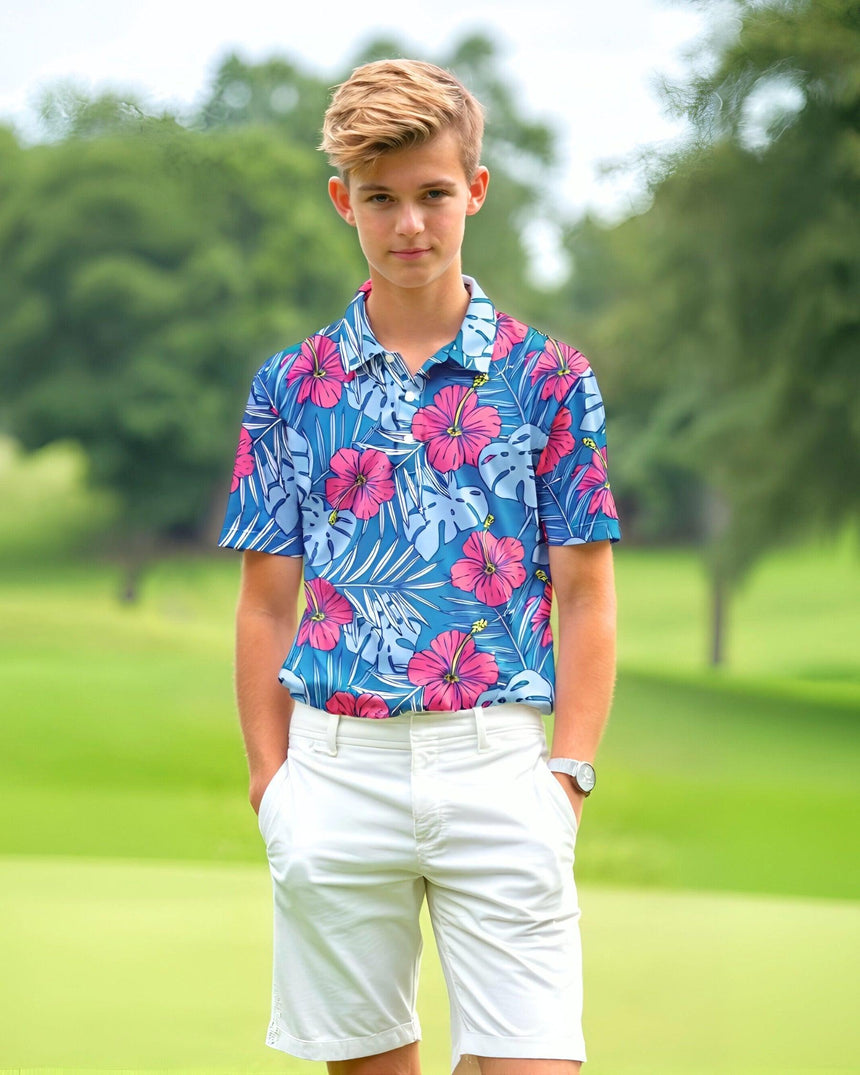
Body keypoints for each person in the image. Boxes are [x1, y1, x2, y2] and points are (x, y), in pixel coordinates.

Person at [218, 57, 620, 1075]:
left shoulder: (550, 379)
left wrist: (566, 774)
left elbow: (585, 595)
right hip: (335, 775)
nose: (409, 225)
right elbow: (266, 606)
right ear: (340, 201)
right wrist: (272, 789)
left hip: (501, 769)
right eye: (380, 200)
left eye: (432, 195)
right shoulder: (289, 387)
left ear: (473, 191)